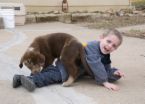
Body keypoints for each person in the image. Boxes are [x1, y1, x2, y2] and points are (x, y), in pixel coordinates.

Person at [12, 28, 124, 92]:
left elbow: (104, 68)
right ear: (101, 38)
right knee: (54, 76)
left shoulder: (106, 55)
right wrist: (104, 81)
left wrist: (114, 73)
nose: (110, 46)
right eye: (108, 41)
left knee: (50, 70)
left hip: (73, 69)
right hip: (66, 67)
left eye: (114, 46)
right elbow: (96, 65)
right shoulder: (92, 46)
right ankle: (32, 81)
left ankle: (21, 78)